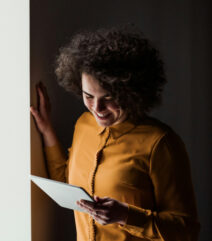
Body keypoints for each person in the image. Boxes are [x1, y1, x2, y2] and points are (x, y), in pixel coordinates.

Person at [30, 26, 200, 241]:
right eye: (88, 95)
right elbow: (70, 186)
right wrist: (46, 131)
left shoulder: (160, 143)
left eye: (108, 97)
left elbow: (187, 230)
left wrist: (126, 216)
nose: (97, 108)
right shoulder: (84, 124)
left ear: (131, 92)